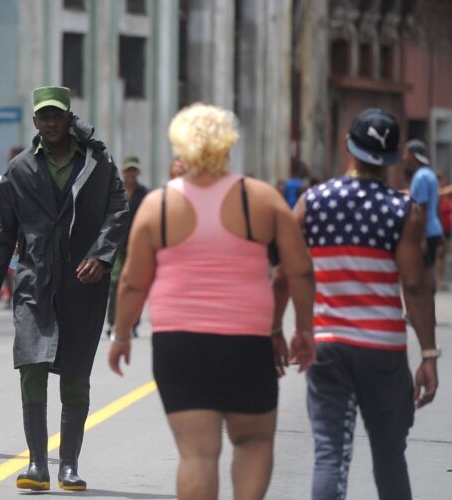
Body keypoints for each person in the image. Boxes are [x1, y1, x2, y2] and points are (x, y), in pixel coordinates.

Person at [107, 103, 316, 500]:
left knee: (197, 455)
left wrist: (121, 335)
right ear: (229, 145)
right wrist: (302, 328)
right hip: (246, 342)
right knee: (253, 441)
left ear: (179, 147)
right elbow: (299, 270)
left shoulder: (158, 205)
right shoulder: (262, 199)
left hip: (179, 345)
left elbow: (134, 282)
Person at [0, 85, 128, 492]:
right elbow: (1, 229)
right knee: (31, 367)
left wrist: (102, 254)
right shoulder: (20, 168)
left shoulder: (96, 163)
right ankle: (38, 464)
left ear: (68, 117)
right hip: (33, 282)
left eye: (57, 116)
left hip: (83, 282)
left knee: (76, 373)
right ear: (35, 122)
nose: (50, 123)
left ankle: (69, 466)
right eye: (43, 117)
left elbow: (119, 210)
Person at [293, 108, 438, 499]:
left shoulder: (312, 202)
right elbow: (415, 286)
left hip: (328, 345)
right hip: (383, 353)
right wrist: (429, 354)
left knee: (330, 456)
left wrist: (288, 328)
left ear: (348, 144)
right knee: (390, 457)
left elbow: (286, 272)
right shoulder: (405, 212)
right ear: (393, 158)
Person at [106, 156, 149, 337]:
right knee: (115, 282)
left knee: (135, 283)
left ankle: (133, 323)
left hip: (137, 245)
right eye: (128, 170)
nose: (131, 174)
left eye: (134, 170)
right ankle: (113, 322)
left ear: (138, 172)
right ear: (123, 172)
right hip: (117, 243)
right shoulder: (116, 190)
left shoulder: (144, 194)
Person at [403, 139, 443, 291]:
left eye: (406, 153)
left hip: (425, 230)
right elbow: (435, 204)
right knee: (428, 270)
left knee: (423, 273)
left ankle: (425, 308)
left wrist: (422, 237)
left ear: (413, 156)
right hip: (434, 228)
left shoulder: (420, 178)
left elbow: (422, 209)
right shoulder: (430, 174)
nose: (404, 158)